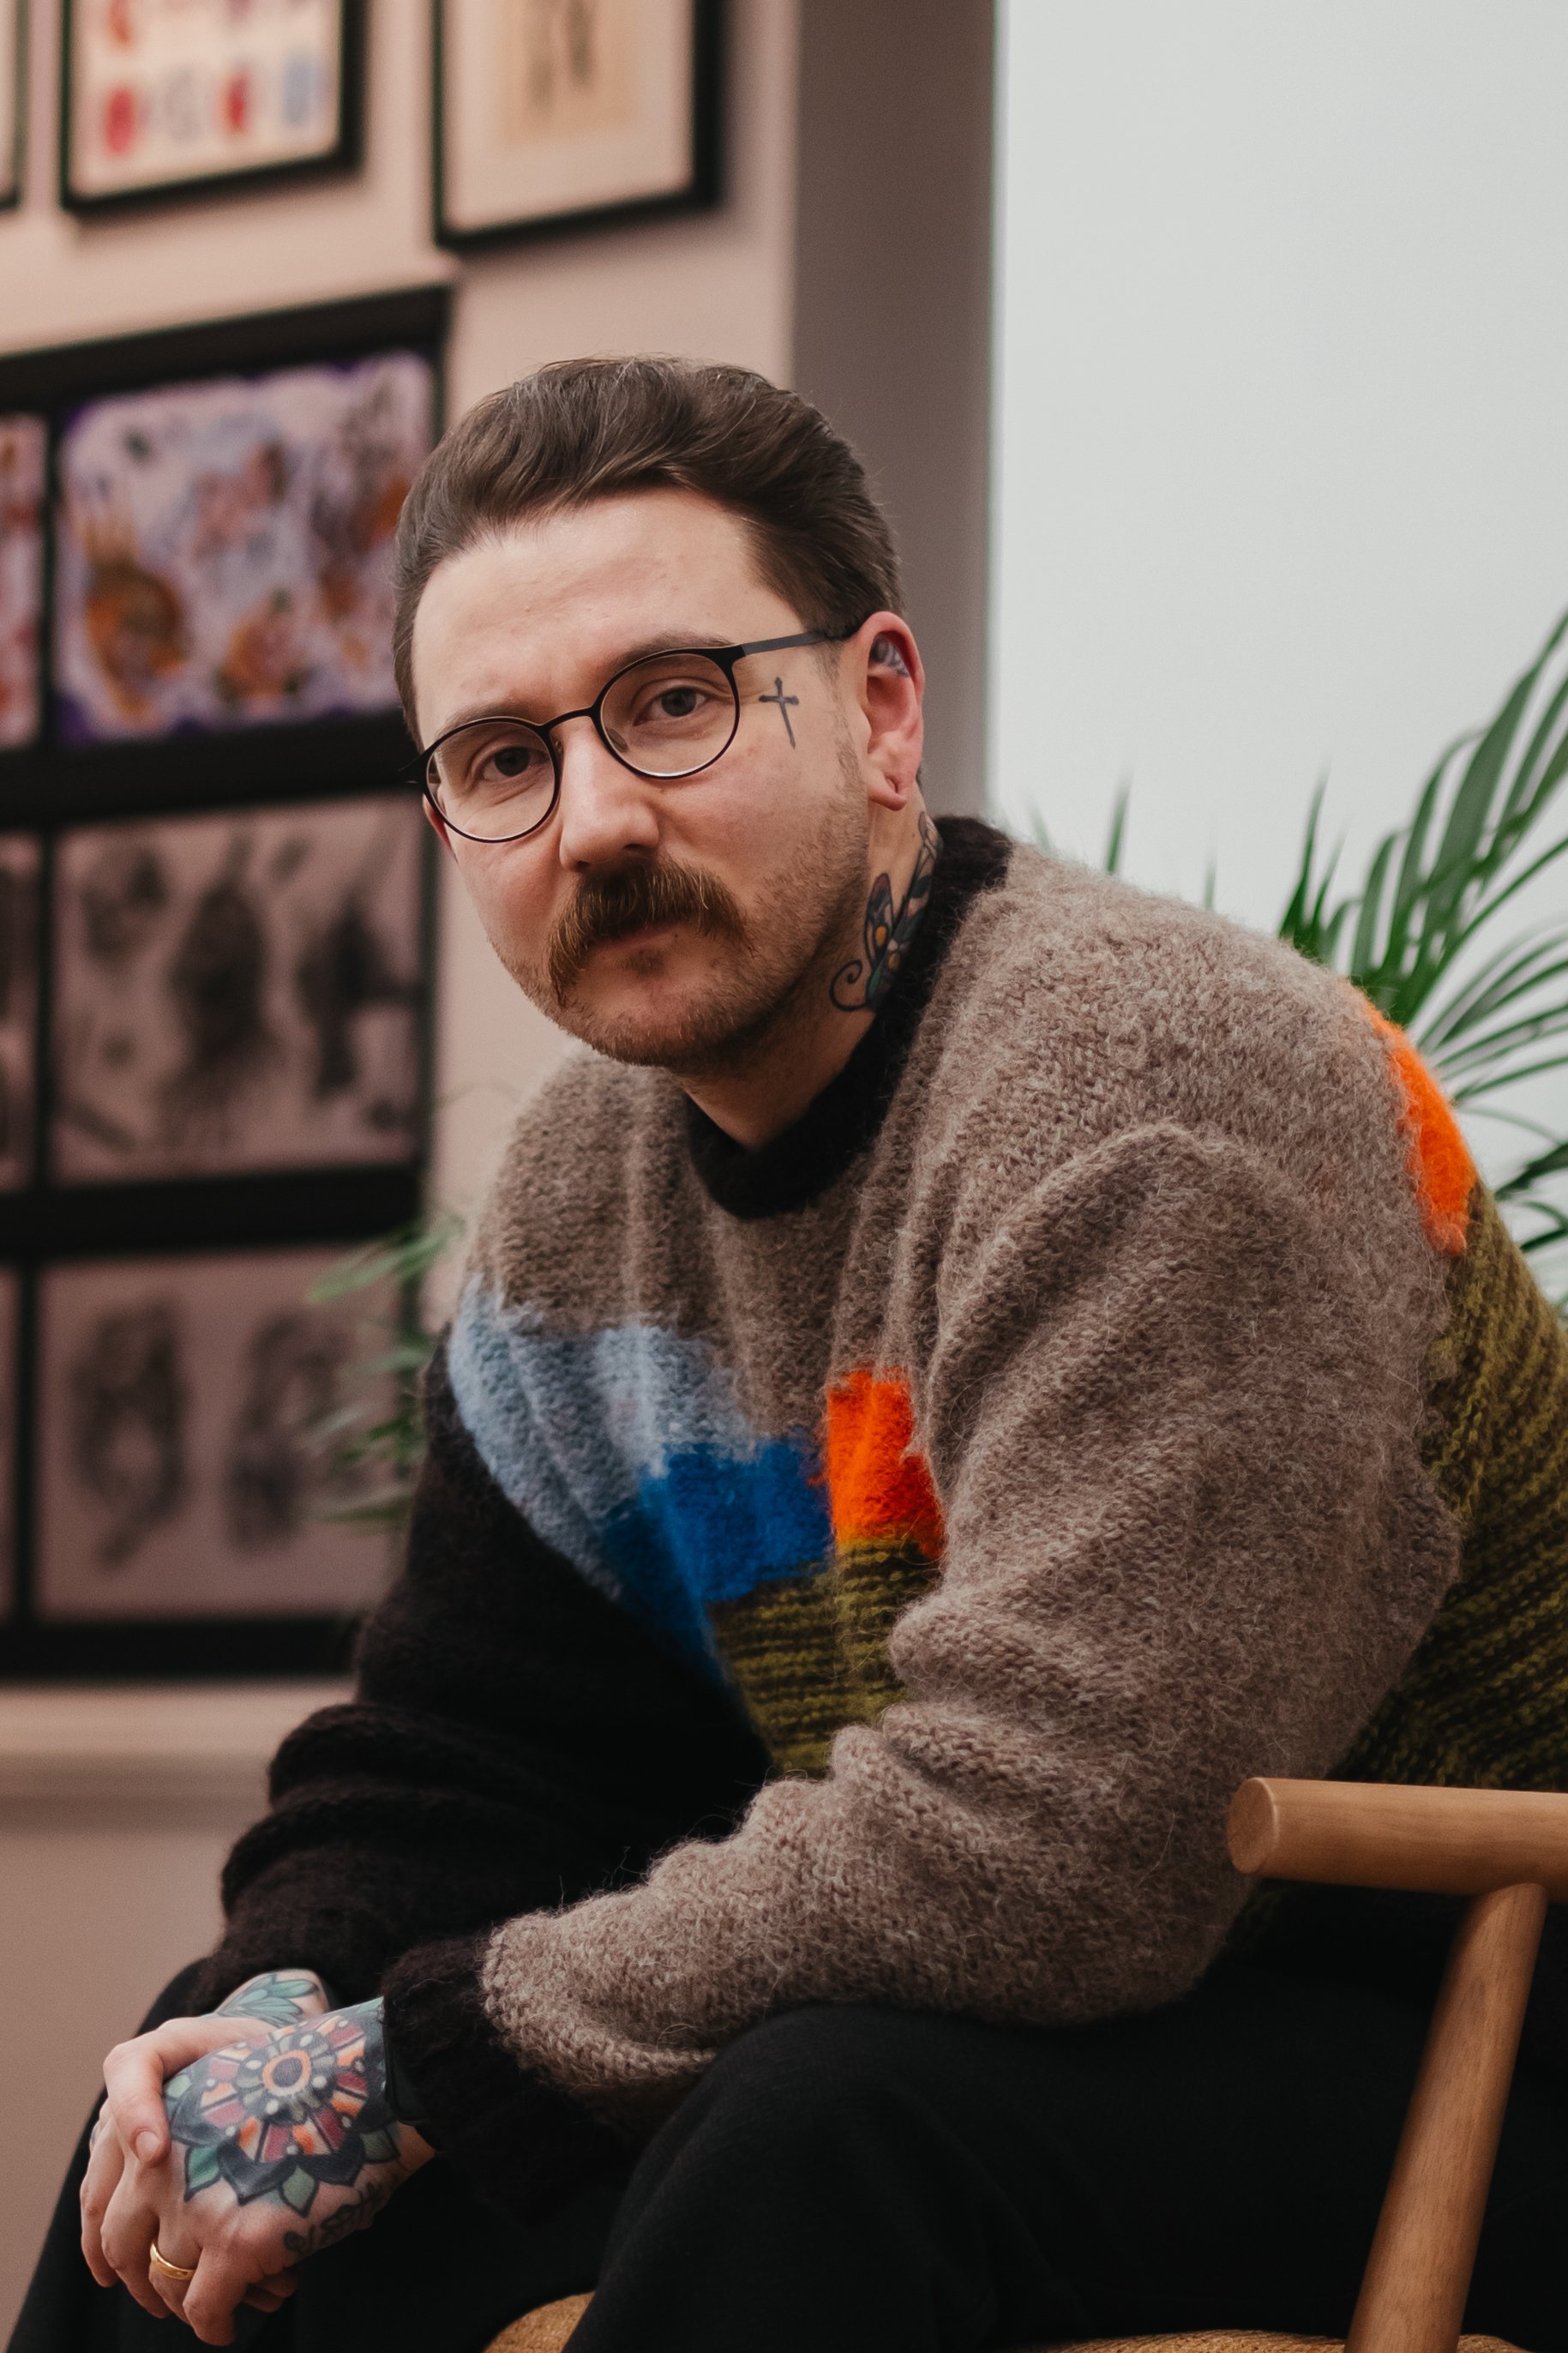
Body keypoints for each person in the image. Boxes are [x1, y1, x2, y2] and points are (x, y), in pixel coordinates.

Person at [12, 359, 1568, 2353]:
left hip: (1459, 2038)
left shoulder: (1161, 1097)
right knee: (182, 2153)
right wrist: (281, 2015)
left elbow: (1063, 1843)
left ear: (884, 705)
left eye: (672, 702)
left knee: (815, 2125)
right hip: (1004, 2029)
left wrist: (414, 2065)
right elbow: (464, 1755)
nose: (594, 821)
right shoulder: (585, 1196)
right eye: (502, 759)